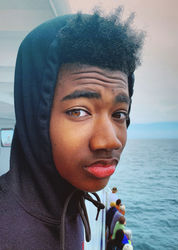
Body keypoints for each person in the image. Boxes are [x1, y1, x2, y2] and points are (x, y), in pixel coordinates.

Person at [0, 7, 144, 250]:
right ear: (36, 116)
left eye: (119, 114)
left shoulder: (74, 198)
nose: (110, 141)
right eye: (79, 111)